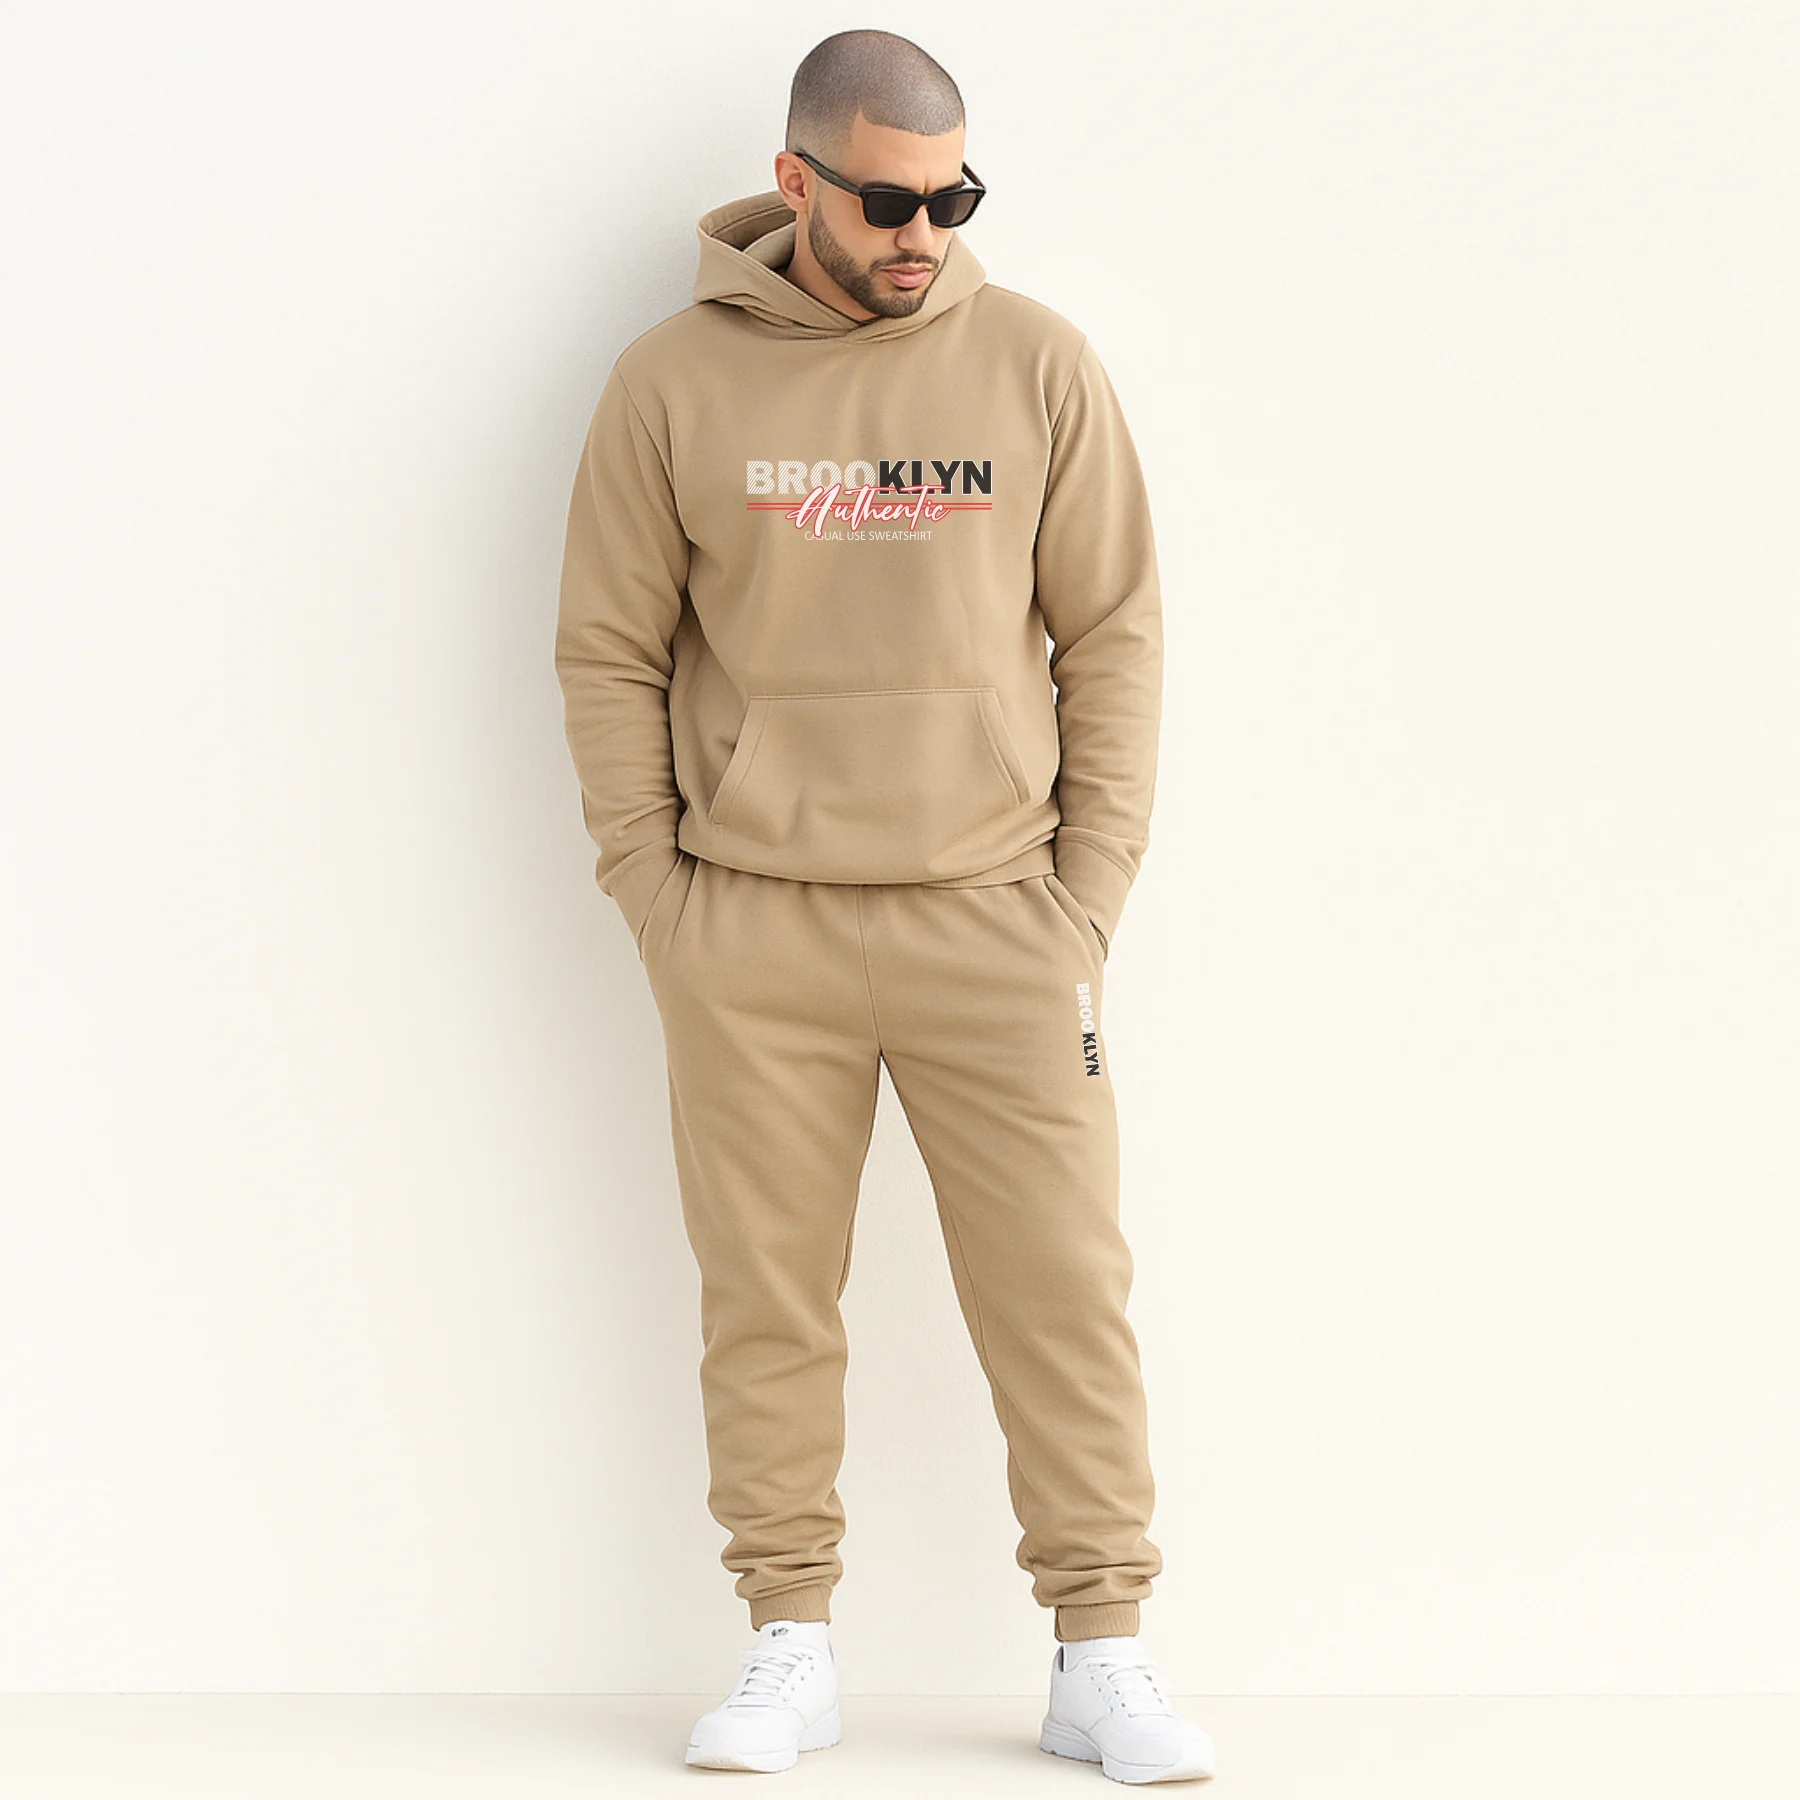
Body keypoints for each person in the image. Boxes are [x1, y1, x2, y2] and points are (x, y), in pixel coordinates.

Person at [554, 27, 1215, 1786]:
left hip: (998, 920)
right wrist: (657, 894)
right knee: (767, 1299)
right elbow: (609, 647)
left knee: (1062, 1289)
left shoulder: (1036, 364)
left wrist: (1084, 899)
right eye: (889, 201)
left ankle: (1100, 1650)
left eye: (954, 198)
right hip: (752, 927)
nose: (926, 233)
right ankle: (790, 1639)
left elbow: (1116, 636)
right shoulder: (669, 383)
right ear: (797, 185)